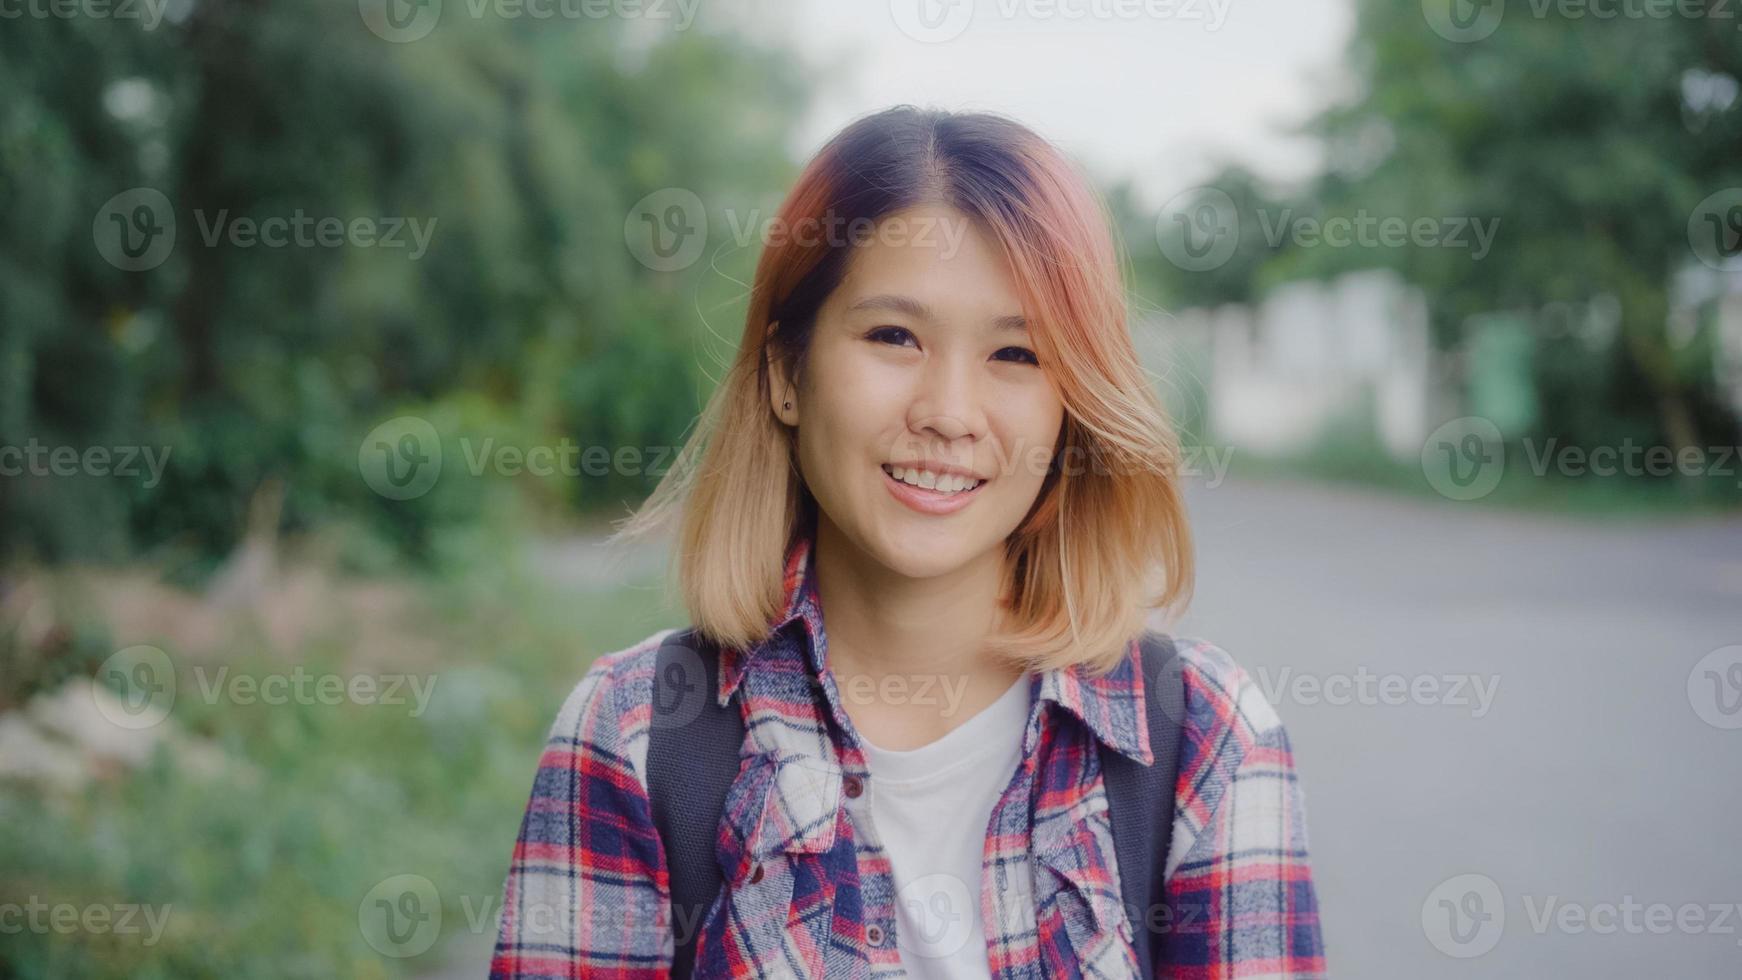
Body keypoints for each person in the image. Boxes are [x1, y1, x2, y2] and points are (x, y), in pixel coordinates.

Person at [489, 105, 1326, 978]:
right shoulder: (635, 735)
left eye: (1016, 355)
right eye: (894, 336)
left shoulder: (1205, 741)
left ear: (1072, 406)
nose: (949, 414)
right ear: (786, 373)